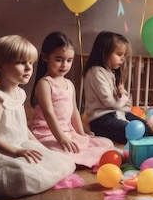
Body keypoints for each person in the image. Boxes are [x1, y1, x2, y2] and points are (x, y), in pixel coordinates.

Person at [0, 35, 75, 198]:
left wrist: (40, 148)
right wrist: (17, 152)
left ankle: (27, 178)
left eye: (31, 63)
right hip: (0, 152)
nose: (29, 68)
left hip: (21, 145)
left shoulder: (19, 93)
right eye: (21, 63)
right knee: (24, 172)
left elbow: (22, 128)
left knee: (65, 161)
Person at [29, 32, 114, 168]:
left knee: (105, 143)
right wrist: (61, 138)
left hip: (68, 131)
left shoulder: (70, 84)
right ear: (45, 57)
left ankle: (81, 157)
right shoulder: (45, 84)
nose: (64, 65)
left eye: (69, 60)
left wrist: (81, 135)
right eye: (58, 59)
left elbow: (74, 112)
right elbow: (49, 114)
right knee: (62, 153)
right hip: (48, 133)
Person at [83, 31, 153, 144]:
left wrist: (123, 98)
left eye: (124, 55)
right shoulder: (96, 72)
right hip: (102, 119)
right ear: (104, 52)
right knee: (138, 131)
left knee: (143, 125)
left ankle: (148, 127)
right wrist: (123, 96)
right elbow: (111, 102)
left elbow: (124, 106)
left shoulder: (110, 72)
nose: (122, 59)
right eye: (119, 54)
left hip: (118, 113)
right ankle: (145, 131)